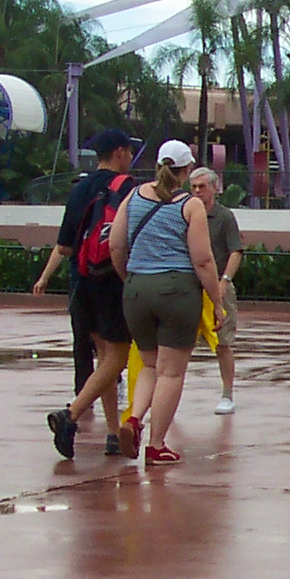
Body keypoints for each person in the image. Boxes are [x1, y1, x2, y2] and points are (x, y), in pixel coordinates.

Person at [108, 140, 226, 466]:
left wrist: (130, 279)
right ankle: (156, 444)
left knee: (148, 364)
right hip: (176, 290)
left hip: (135, 287)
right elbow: (203, 260)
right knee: (171, 373)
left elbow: (116, 246)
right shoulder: (191, 206)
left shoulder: (133, 196)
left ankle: (133, 419)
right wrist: (216, 303)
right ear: (187, 170)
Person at [36, 130, 141, 460]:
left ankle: (112, 432)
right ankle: (71, 414)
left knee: (103, 357)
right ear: (121, 153)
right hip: (113, 282)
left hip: (82, 283)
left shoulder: (80, 187)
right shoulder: (128, 188)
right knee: (118, 358)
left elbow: (65, 245)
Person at [188, 168, 243, 414]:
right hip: (188, 286)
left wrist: (224, 281)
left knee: (222, 343)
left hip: (217, 286)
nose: (198, 191)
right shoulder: (186, 214)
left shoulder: (224, 217)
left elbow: (236, 251)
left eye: (202, 186)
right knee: (178, 343)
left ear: (214, 187)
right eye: (194, 186)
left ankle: (227, 394)